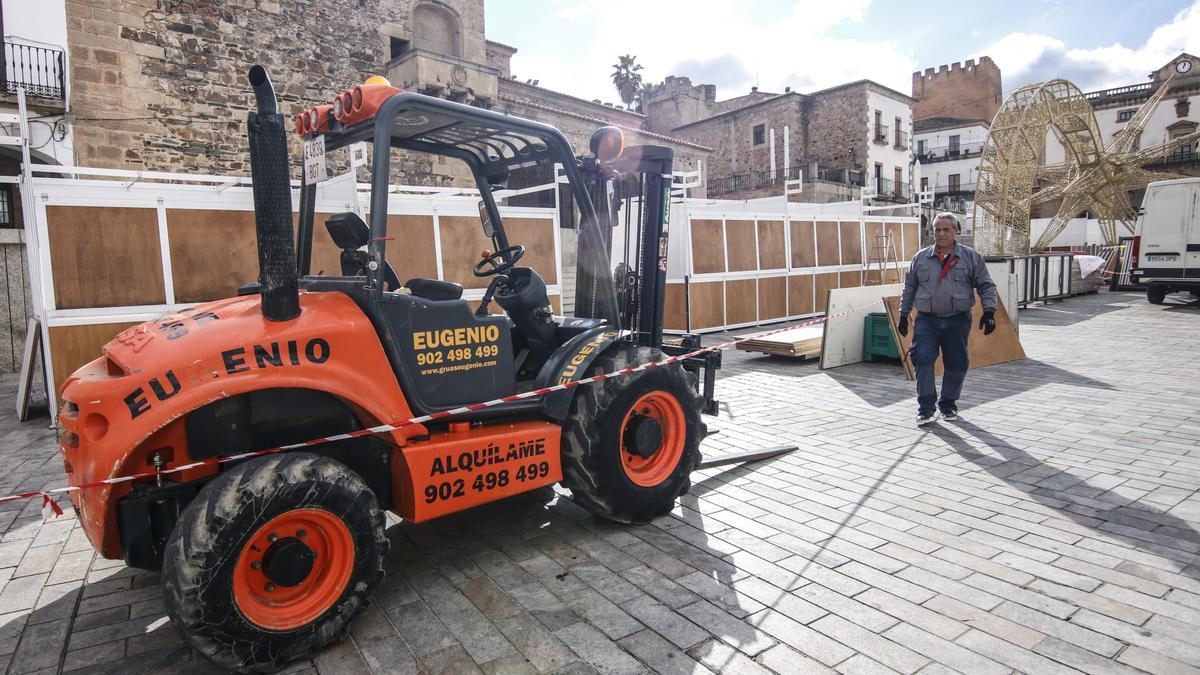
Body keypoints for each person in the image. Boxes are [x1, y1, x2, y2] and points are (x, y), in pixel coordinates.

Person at [897, 213, 997, 425]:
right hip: (927, 320)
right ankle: (925, 408)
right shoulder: (921, 258)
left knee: (957, 363)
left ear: (956, 231)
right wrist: (903, 315)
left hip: (957, 320)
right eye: (937, 230)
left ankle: (948, 403)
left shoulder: (971, 258)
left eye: (946, 230)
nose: (941, 234)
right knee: (922, 359)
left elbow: (986, 285)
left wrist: (989, 312)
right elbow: (909, 288)